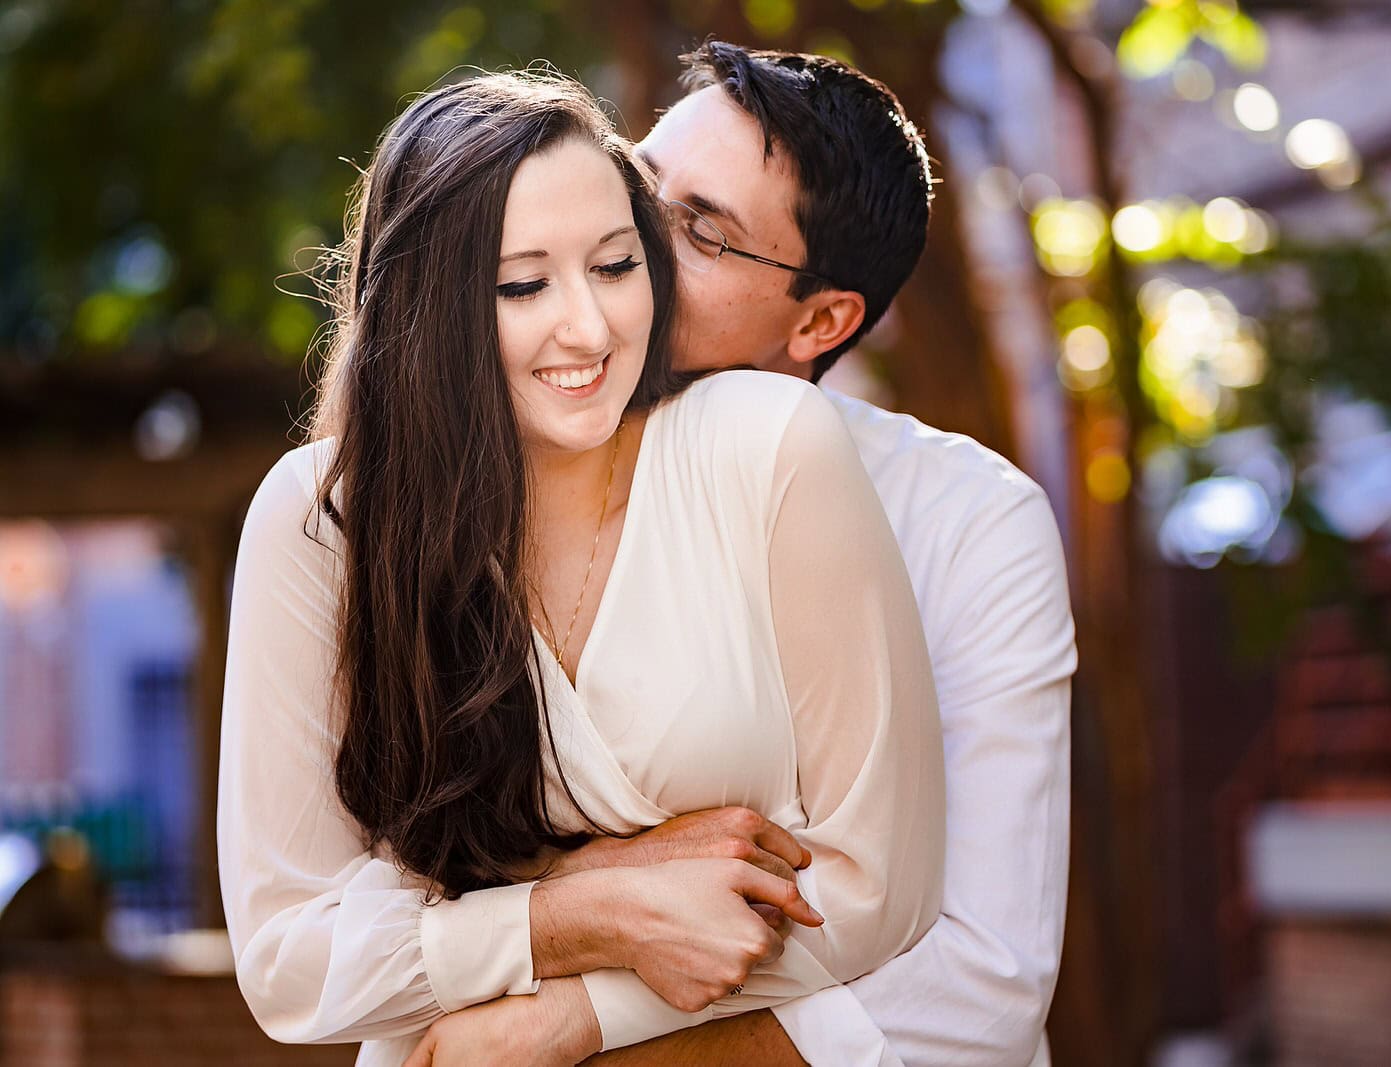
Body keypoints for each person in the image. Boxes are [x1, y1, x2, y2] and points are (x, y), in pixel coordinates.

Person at [216, 69, 946, 1067]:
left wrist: (570, 1014)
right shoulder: (320, 519)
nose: (592, 328)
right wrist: (580, 911)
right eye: (524, 284)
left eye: (614, 265)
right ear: (427, 304)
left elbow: (877, 885)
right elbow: (285, 958)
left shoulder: (770, 446)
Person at [569, 43, 1079, 1067]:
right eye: (637, 183)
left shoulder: (969, 523)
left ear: (822, 319)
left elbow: (982, 980)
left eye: (700, 231)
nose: (631, 240)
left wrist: (578, 1030)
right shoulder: (510, 468)